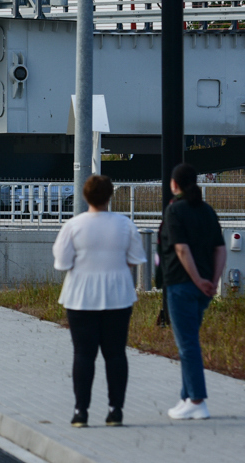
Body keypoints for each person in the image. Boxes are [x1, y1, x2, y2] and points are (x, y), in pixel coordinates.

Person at [52, 174, 146, 428]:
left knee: (83, 355)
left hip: (80, 297)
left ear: (85, 196)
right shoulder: (125, 224)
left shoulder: (73, 225)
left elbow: (62, 262)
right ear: (110, 196)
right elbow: (135, 258)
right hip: (118, 296)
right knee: (115, 354)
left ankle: (80, 412)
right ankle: (115, 411)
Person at [159, 163, 225, 420]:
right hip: (204, 287)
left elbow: (181, 249)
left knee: (187, 345)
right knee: (189, 340)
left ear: (174, 184)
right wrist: (213, 282)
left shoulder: (174, 210)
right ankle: (187, 398)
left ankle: (197, 400)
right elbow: (220, 249)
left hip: (181, 284)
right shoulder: (207, 211)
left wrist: (197, 280)